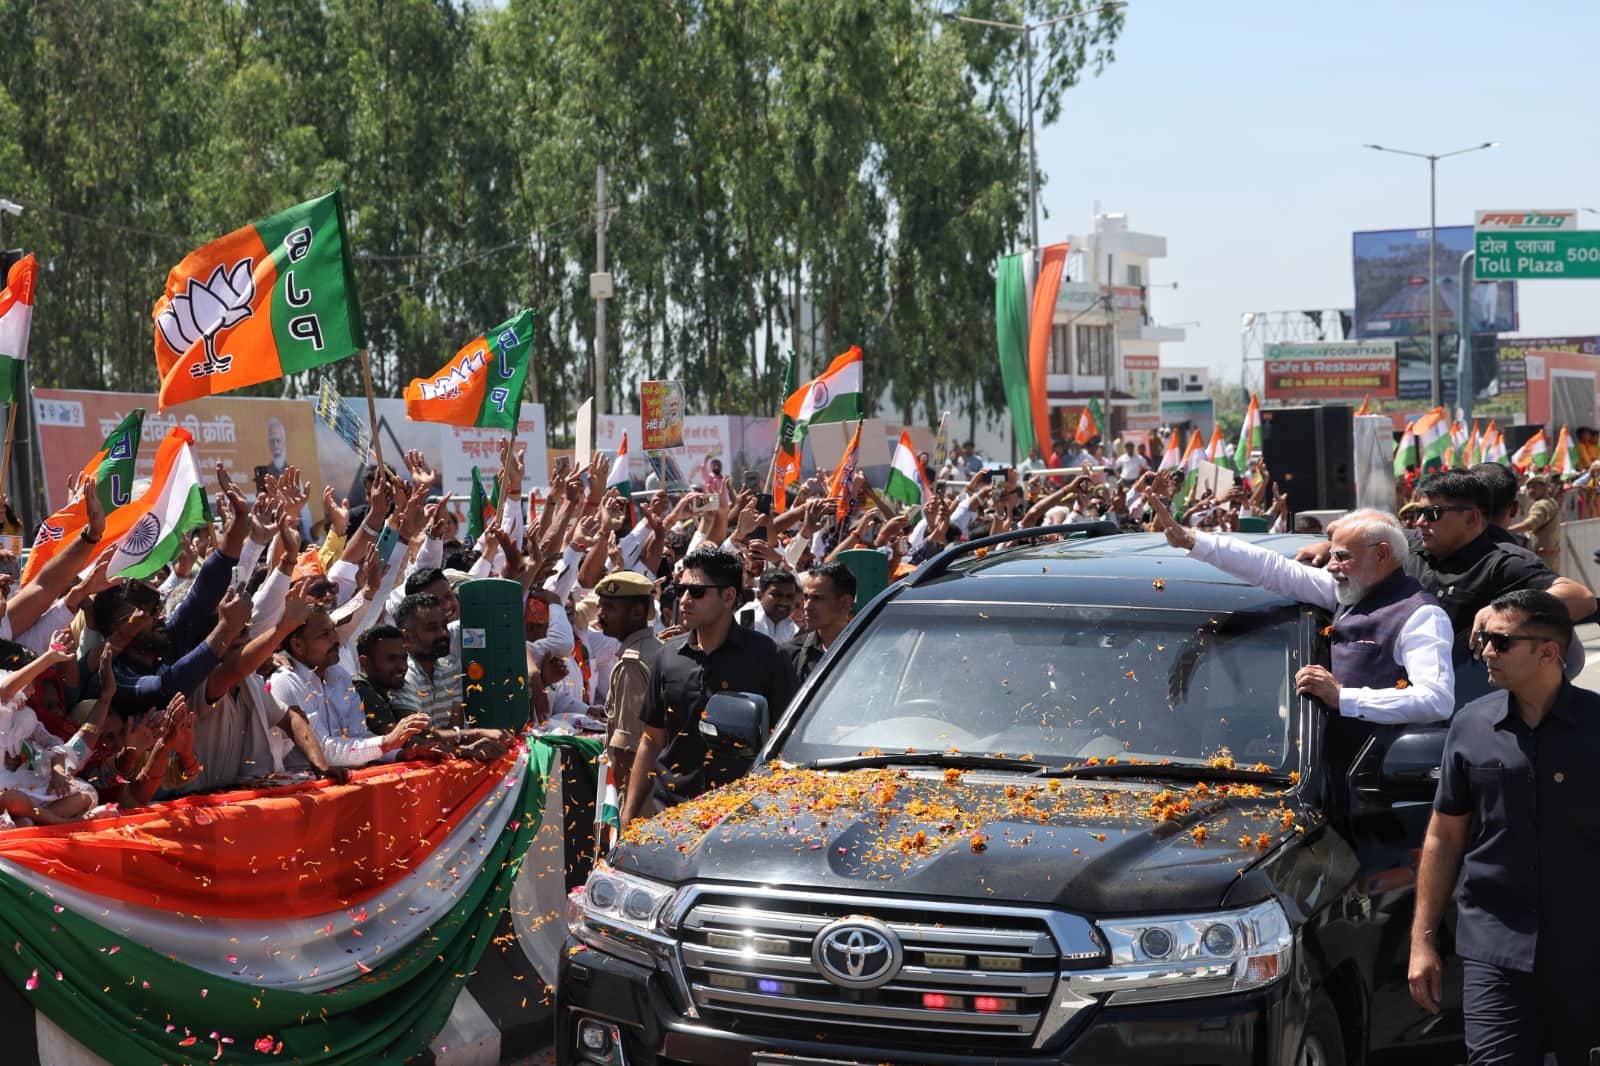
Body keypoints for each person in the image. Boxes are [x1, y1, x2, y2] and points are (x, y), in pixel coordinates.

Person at [1409, 590, 1600, 1064]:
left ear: (1548, 652)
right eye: (1483, 641)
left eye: (1500, 642)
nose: (1485, 653)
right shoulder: (1470, 726)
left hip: (1587, 950)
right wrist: (1423, 941)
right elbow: (1444, 836)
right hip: (1494, 949)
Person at [1152, 497, 1452, 773]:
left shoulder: (1421, 615)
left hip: (1377, 780)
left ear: (1381, 555)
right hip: (1323, 772)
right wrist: (1191, 540)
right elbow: (1273, 569)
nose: (1331, 566)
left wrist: (1343, 697)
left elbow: (1436, 700)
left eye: (1342, 556)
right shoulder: (1350, 589)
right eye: (1332, 554)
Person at [1300, 470, 1594, 706]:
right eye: (1418, 512)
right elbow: (1364, 536)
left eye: (1433, 514)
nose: (1420, 522)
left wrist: (1504, 612)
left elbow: (1580, 597)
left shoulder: (1502, 561)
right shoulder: (1412, 543)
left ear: (1471, 518)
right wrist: (1330, 545)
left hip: (1455, 702)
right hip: (1381, 691)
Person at [622, 547, 798, 827]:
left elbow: (788, 742)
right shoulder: (668, 656)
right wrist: (628, 816)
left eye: (697, 592)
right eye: (681, 591)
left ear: (728, 597)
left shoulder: (767, 657)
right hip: (670, 813)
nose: (685, 600)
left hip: (741, 817)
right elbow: (651, 740)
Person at [270, 608, 431, 770]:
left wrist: (400, 754)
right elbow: (323, 751)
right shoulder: (285, 682)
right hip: (303, 787)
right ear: (298, 645)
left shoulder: (339, 675)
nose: (335, 639)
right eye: (324, 634)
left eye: (333, 630)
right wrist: (386, 743)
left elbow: (358, 737)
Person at [594, 571, 662, 799]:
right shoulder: (657, 648)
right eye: (600, 606)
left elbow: (628, 749)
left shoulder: (631, 664)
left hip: (639, 795)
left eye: (610, 608)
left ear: (636, 613)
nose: (600, 614)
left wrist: (623, 805)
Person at [395, 592, 461, 728]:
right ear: (407, 638)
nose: (443, 633)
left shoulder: (451, 666)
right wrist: (476, 734)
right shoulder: (402, 673)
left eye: (444, 625)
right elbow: (415, 735)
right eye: (432, 628)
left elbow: (456, 727)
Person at [785, 561, 857, 683]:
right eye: (806, 597)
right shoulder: (791, 653)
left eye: (817, 598)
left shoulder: (868, 651)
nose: (807, 606)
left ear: (845, 602)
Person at [1509, 473, 1562, 571]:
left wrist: (1507, 530)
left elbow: (1530, 524)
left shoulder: (1541, 505)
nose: (1531, 491)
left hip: (1543, 558)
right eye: (1529, 488)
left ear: (1544, 488)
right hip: (1551, 556)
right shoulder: (1551, 501)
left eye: (1534, 487)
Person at [735, 569, 799, 644]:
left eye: (789, 596)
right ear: (760, 594)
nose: (784, 601)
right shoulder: (748, 617)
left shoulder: (789, 624)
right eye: (777, 595)